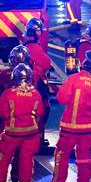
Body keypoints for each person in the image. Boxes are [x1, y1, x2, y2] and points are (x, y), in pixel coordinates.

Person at [0, 64, 43, 182]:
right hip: (30, 134)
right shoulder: (36, 93)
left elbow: (0, 111)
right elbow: (40, 112)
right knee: (26, 160)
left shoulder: (9, 93)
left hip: (12, 134)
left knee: (2, 159)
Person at [50, 53, 91, 182]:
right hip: (89, 128)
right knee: (85, 158)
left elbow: (62, 98)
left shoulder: (74, 79)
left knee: (61, 155)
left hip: (70, 127)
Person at [0, 43, 31, 182]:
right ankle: (17, 176)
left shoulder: (4, 74)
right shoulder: (31, 76)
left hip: (5, 119)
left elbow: (0, 92)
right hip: (23, 121)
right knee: (22, 151)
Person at [23, 18, 52, 151]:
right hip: (36, 83)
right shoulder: (34, 47)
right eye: (39, 31)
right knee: (43, 108)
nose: (41, 34)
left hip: (28, 84)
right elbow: (46, 63)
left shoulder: (25, 46)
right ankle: (38, 137)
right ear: (35, 33)